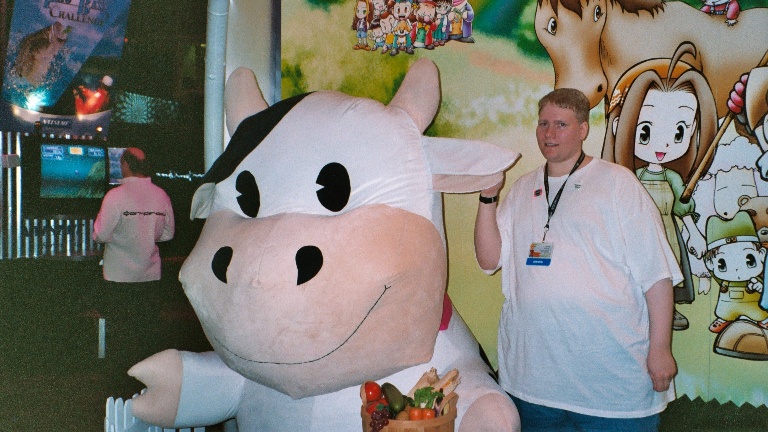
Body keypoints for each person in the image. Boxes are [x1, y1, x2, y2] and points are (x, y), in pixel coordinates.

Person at [474, 88, 681, 431]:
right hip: (532, 383)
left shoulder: (618, 184)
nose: (549, 133)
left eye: (561, 124)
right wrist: (487, 198)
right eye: (543, 124)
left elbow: (656, 276)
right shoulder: (524, 188)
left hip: (612, 388)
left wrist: (660, 348)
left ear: (583, 129)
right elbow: (488, 260)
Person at [92, 147, 174, 377]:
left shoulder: (115, 197)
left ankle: (119, 382)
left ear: (126, 165)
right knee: (146, 332)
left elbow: (101, 235)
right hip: (150, 276)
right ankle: (145, 379)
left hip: (119, 276)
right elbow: (168, 234)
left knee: (121, 333)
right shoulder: (161, 195)